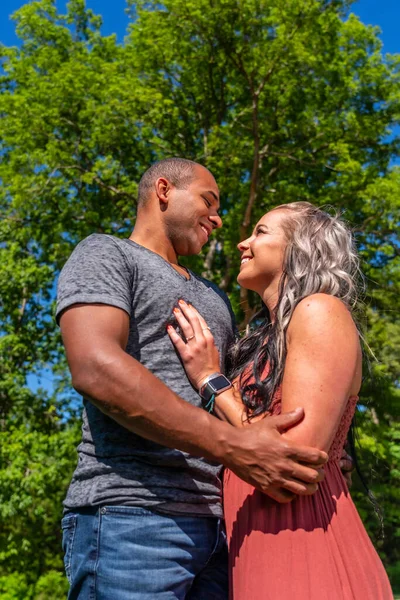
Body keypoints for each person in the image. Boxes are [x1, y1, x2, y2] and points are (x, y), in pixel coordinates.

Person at [56, 159, 331, 599]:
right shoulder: (106, 253)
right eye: (209, 200)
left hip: (223, 530)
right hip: (132, 516)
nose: (220, 218)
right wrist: (233, 447)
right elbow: (95, 368)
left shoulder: (217, 298)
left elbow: (241, 397)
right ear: (164, 190)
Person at [167, 202, 393, 599]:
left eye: (261, 231)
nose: (243, 242)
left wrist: (212, 381)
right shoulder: (266, 340)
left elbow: (291, 460)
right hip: (252, 548)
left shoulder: (320, 310)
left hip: (308, 545)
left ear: (300, 247)